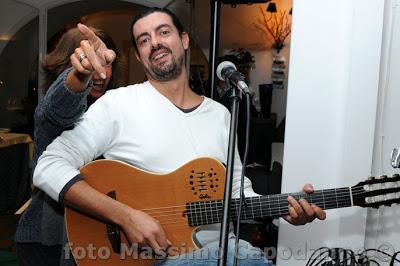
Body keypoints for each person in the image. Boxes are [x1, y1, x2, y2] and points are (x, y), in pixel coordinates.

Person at [33, 7, 326, 265]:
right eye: (143, 39)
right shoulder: (118, 105)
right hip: (152, 259)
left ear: (184, 40)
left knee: (237, 253)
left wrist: (282, 211)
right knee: (244, 255)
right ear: (138, 55)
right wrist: (125, 216)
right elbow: (49, 165)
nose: (155, 43)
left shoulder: (221, 115)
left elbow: (237, 192)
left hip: (219, 251)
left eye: (163, 32)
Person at [15, 25, 123, 266]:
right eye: (89, 60)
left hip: (99, 239)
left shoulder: (116, 107)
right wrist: (80, 75)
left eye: (105, 61)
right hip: (49, 242)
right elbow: (59, 109)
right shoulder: (52, 108)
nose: (100, 72)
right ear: (67, 62)